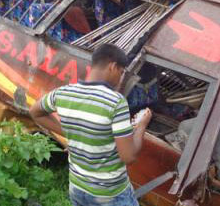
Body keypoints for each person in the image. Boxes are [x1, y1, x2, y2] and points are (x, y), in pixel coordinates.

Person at [30, 44, 152, 206]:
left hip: (77, 187)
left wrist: (70, 133)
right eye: (122, 72)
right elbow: (128, 157)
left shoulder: (62, 93)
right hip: (109, 194)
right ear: (113, 67)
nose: (121, 78)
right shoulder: (115, 102)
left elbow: (34, 112)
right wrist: (141, 126)